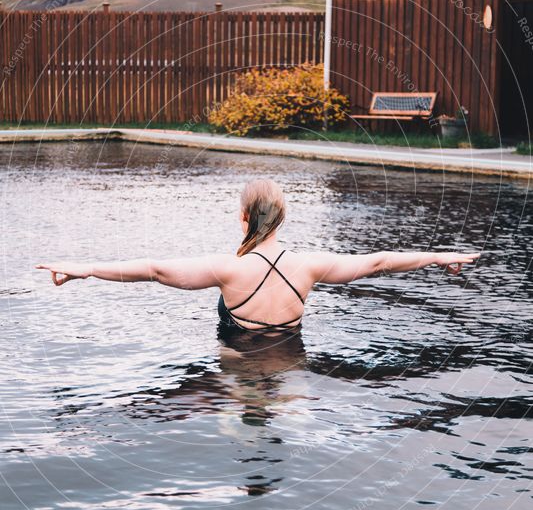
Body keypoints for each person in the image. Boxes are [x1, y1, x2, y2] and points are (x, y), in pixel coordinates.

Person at [35, 178, 480, 336]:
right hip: (291, 359)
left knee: (238, 418)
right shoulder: (310, 265)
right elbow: (379, 261)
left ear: (244, 216)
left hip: (238, 365)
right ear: (282, 218)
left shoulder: (228, 268)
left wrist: (87, 269)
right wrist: (439, 256)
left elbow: (154, 270)